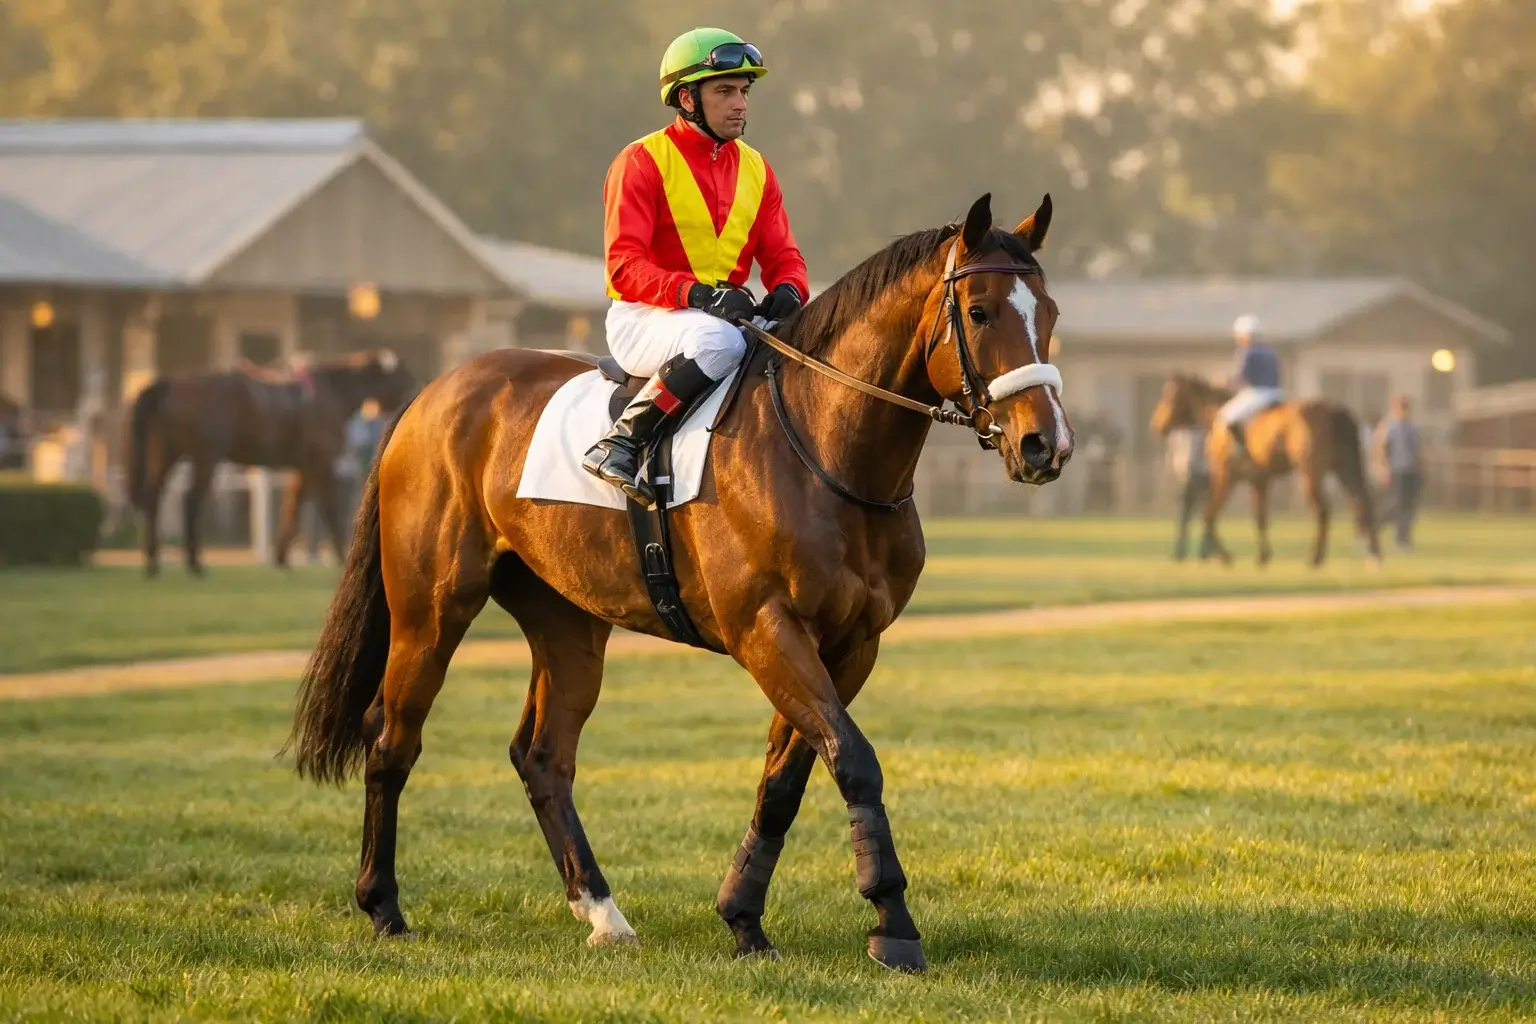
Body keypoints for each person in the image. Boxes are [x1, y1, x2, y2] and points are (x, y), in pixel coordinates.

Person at [582, 26, 811, 506]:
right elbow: (623, 268)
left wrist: (790, 289)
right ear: (686, 98)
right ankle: (621, 442)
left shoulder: (758, 168)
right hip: (646, 318)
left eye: (744, 92)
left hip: (723, 316)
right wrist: (699, 295)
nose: (740, 104)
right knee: (719, 341)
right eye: (724, 91)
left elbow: (784, 256)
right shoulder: (641, 161)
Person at [1217, 314, 1284, 471]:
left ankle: (1241, 449)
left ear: (1245, 335)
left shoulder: (1246, 352)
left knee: (1225, 416)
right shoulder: (1270, 351)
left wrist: (1225, 383)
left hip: (1257, 394)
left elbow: (1242, 379)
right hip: (1277, 393)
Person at [1374, 394, 1424, 550]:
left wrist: (1420, 470)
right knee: (1397, 504)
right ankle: (1376, 524)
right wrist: (1383, 469)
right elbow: (1382, 450)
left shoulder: (1412, 429)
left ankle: (1403, 538)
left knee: (1409, 506)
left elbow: (1417, 451)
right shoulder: (1391, 429)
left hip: (1411, 470)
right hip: (1397, 470)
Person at [1166, 422, 1210, 560]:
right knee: (1183, 516)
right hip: (1185, 477)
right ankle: (1180, 550)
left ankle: (1204, 550)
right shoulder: (1178, 432)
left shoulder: (1204, 431)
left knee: (1205, 516)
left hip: (1202, 476)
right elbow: (1173, 454)